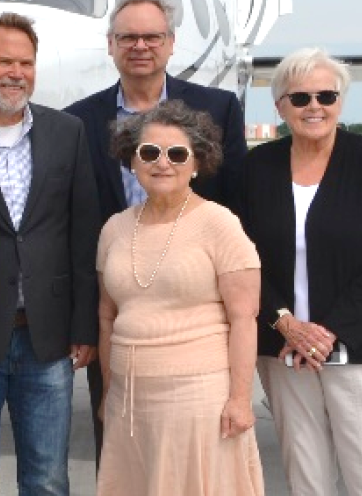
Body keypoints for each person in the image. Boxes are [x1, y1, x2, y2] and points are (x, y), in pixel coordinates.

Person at [64, 0, 249, 458]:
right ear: (111, 44)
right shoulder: (77, 122)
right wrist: (84, 323)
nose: (140, 46)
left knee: (198, 453)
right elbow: (76, 229)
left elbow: (237, 204)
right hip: (119, 314)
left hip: (198, 318)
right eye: (128, 37)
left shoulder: (219, 109)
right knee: (120, 446)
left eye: (152, 36)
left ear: (171, 43)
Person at [0, 12, 102, 496]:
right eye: (4, 61)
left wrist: (84, 326)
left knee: (47, 479)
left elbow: (83, 234)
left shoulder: (67, 132)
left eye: (26, 63)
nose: (17, 73)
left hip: (46, 339)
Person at [240, 47, 362, 496]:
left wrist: (327, 333)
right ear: (280, 107)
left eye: (326, 96)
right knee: (305, 477)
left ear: (340, 102)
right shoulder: (257, 167)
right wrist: (286, 324)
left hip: (357, 346)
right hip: (282, 348)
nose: (314, 106)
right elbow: (244, 258)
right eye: (300, 98)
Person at [94, 101, 264, 495]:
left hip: (198, 399)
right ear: (132, 160)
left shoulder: (219, 223)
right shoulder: (114, 229)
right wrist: (108, 392)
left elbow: (244, 317)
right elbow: (107, 317)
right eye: (149, 152)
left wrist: (240, 399)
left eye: (177, 154)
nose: (162, 163)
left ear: (197, 162)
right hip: (128, 402)